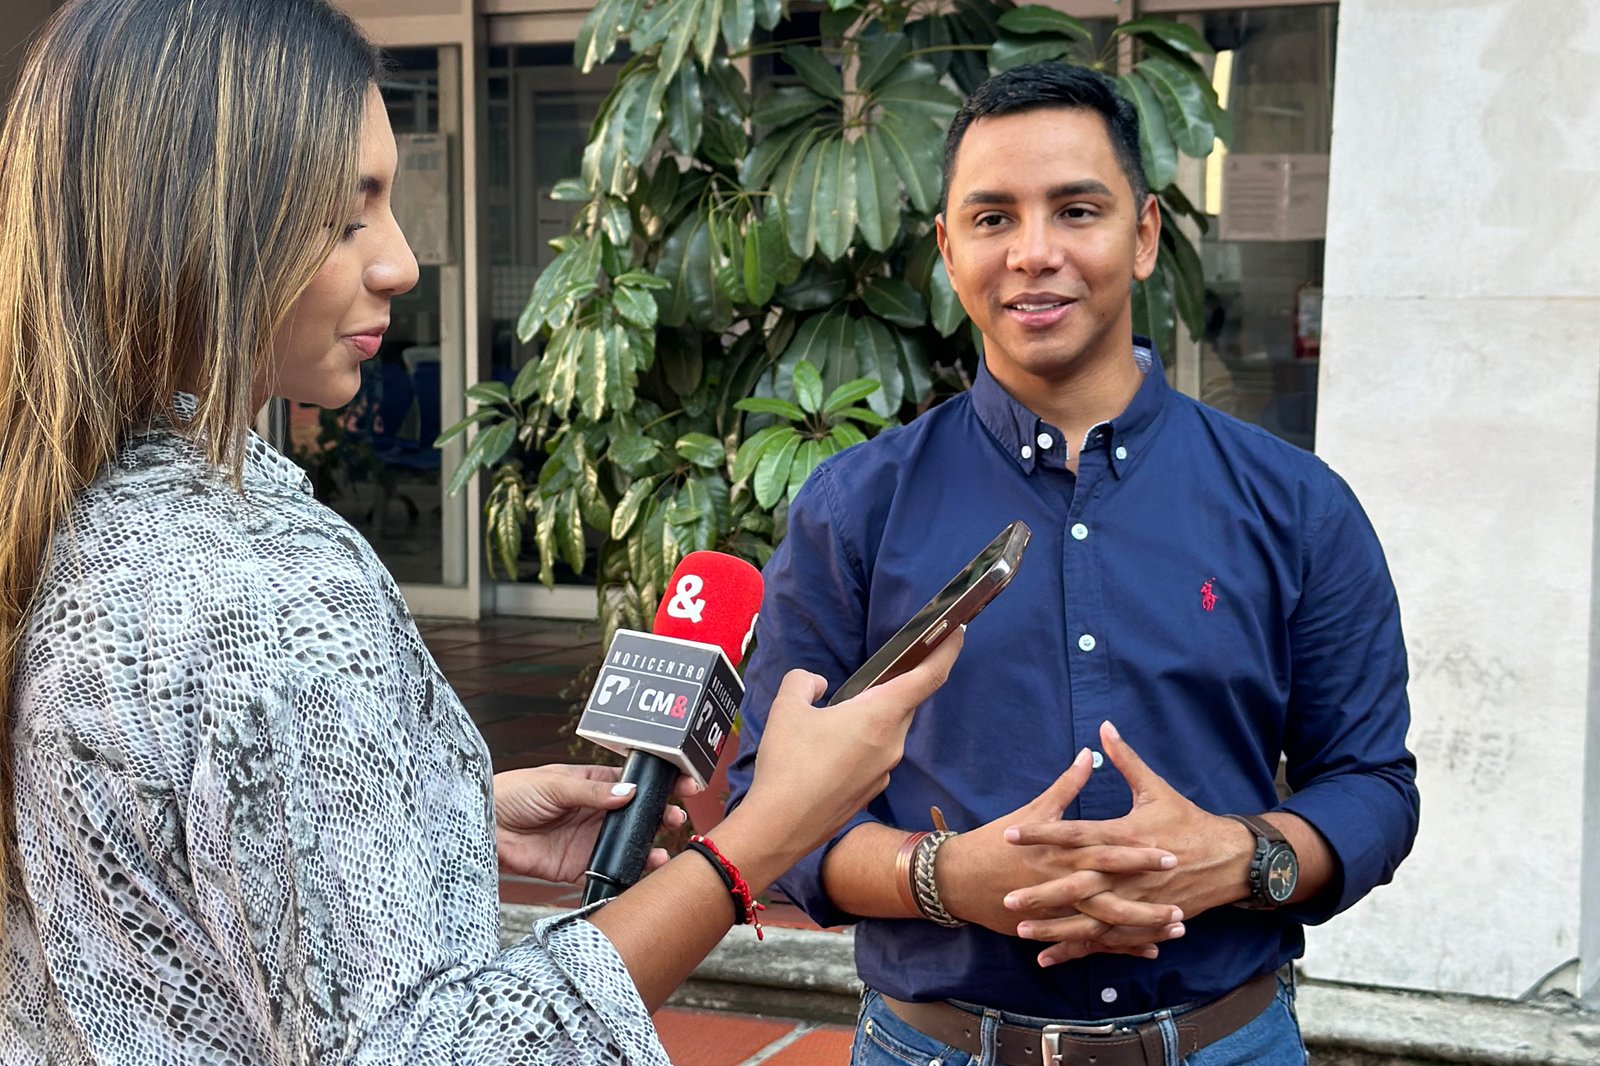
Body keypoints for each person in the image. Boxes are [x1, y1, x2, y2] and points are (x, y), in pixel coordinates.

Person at [0, 1, 963, 1062]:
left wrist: (442, 815)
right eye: (347, 216)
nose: (402, 262)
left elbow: (149, 887)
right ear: (192, 228)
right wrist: (762, 837)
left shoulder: (63, 519)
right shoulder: (268, 591)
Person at [727, 62, 1419, 1066]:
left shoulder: (1297, 504)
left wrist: (1240, 856)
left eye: (1076, 210)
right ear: (949, 249)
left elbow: (1370, 786)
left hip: (1227, 1043)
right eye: (993, 218)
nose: (1034, 252)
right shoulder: (854, 509)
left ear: (1143, 235)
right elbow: (769, 805)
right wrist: (941, 876)